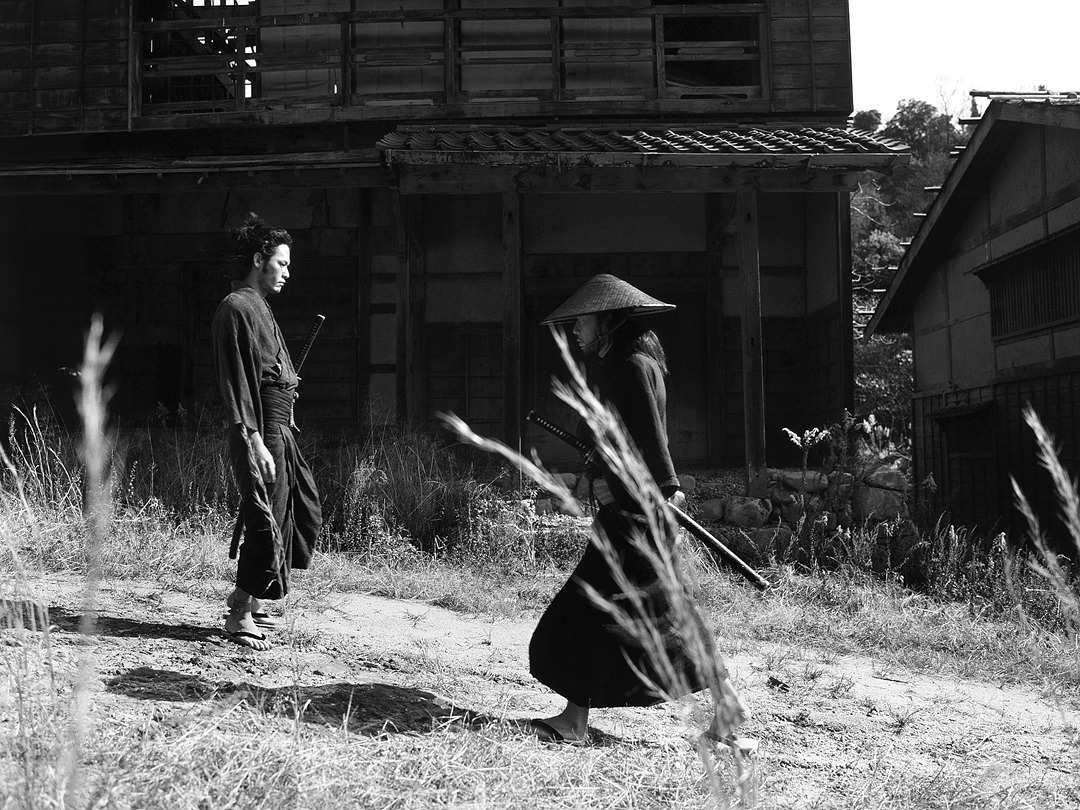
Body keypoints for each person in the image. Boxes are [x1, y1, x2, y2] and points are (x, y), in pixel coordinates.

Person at [528, 273, 746, 745]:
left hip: (636, 517)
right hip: (633, 513)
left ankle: (574, 721)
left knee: (585, 610)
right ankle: (726, 705)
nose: (576, 329)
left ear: (607, 320)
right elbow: (622, 444)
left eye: (583, 320)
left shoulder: (631, 366)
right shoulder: (626, 365)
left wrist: (651, 493)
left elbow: (650, 443)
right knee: (666, 614)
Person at [212, 212, 322, 650]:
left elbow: (267, 371)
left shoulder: (259, 307)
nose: (287, 272)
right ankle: (238, 611)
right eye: (282, 263)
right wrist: (253, 438)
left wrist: (286, 383)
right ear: (259, 260)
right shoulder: (236, 307)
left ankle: (253, 598)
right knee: (266, 518)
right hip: (257, 430)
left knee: (298, 510)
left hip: (278, 428)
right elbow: (237, 380)